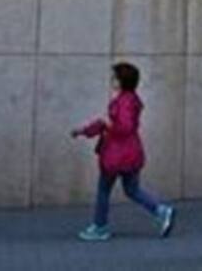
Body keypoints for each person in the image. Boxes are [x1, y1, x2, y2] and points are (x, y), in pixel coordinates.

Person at [72, 62, 175, 242]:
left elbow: (123, 127)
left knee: (104, 190)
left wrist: (103, 126)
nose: (112, 80)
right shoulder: (131, 100)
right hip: (131, 153)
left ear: (122, 81)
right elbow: (114, 125)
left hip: (116, 154)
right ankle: (161, 211)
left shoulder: (123, 102)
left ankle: (100, 227)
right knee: (132, 190)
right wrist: (86, 130)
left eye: (115, 77)